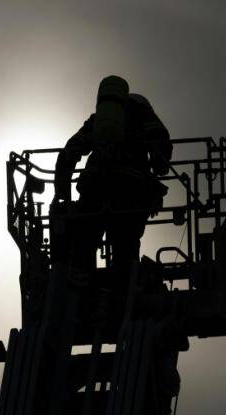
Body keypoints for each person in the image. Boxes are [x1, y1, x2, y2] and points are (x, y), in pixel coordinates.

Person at [52, 76, 172, 287]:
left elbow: (68, 153)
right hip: (129, 190)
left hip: (93, 188)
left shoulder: (98, 120)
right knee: (125, 245)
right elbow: (162, 145)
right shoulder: (144, 116)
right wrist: (156, 169)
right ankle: (122, 288)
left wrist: (62, 192)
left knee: (84, 242)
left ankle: (79, 284)